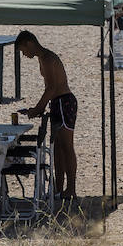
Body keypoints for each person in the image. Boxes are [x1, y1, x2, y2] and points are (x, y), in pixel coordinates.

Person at [15, 30, 78, 199]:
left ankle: (71, 189)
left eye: (23, 50)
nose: (24, 54)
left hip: (64, 102)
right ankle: (58, 189)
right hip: (57, 103)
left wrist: (37, 108)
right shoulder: (43, 58)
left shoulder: (48, 58)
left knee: (66, 146)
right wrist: (39, 108)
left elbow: (52, 87)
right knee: (57, 148)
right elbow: (50, 88)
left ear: (29, 43)